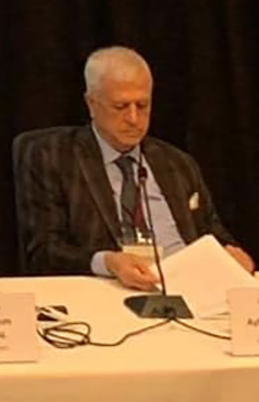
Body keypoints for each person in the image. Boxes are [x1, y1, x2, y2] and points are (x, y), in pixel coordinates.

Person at [17, 46, 254, 288]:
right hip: (110, 289)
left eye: (142, 105)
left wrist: (234, 256)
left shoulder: (177, 163)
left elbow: (213, 234)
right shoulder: (53, 156)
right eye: (121, 107)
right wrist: (108, 262)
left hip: (192, 286)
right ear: (91, 104)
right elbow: (44, 251)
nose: (133, 118)